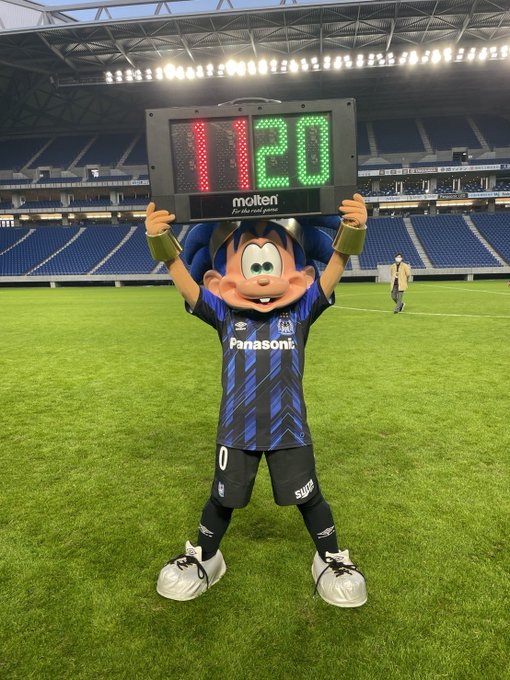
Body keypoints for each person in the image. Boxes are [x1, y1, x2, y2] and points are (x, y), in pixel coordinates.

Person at [144, 194, 369, 608]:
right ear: (220, 280)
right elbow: (189, 289)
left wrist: (351, 234)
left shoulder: (301, 311)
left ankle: (331, 557)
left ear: (300, 275)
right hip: (236, 430)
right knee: (222, 498)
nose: (263, 278)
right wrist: (164, 246)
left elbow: (332, 274)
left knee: (309, 497)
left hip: (289, 429)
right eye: (253, 266)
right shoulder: (224, 314)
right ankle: (205, 556)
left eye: (271, 266)